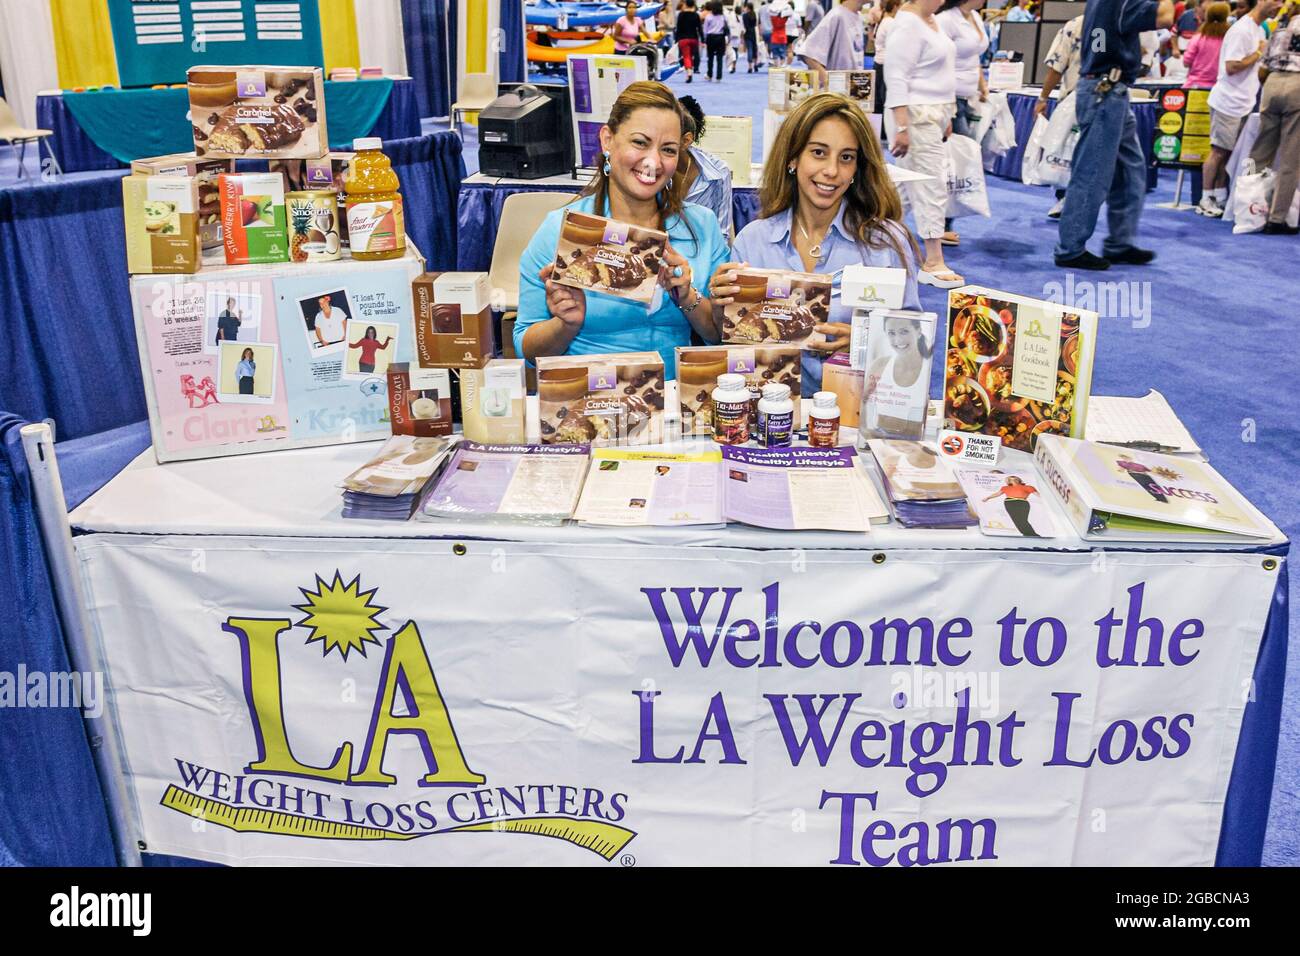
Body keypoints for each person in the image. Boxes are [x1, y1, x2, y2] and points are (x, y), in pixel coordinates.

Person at [516, 82, 730, 378]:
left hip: (671, 402)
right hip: (587, 400)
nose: (654, 162)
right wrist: (565, 324)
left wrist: (687, 297)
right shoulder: (562, 230)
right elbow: (525, 348)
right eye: (640, 143)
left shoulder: (701, 227)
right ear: (607, 140)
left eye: (668, 150)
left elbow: (719, 337)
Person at [712, 93, 922, 394]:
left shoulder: (886, 243)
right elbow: (735, 345)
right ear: (793, 158)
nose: (832, 171)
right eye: (819, 153)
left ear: (857, 169)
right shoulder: (753, 241)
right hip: (772, 420)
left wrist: (866, 341)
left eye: (846, 157)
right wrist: (722, 309)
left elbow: (916, 341)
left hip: (858, 415)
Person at [1053, 0, 1175, 270]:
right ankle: (1070, 247)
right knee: (1092, 173)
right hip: (1106, 91)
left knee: (1131, 170)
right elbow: (1166, 17)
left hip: (1110, 89)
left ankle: (1120, 242)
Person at [886, 0, 964, 287]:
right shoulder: (907, 24)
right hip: (916, 117)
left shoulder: (931, 19)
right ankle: (932, 261)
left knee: (904, 191)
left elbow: (940, 73)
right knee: (931, 185)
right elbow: (895, 77)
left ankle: (876, 245)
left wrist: (948, 114)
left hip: (932, 116)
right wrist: (902, 126)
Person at [1198, 0, 1282, 217]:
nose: (1279, 6)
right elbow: (1231, 66)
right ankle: (1205, 198)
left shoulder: (1258, 29)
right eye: (1275, 1)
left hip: (1244, 102)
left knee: (1228, 154)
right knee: (1218, 151)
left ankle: (1219, 195)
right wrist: (1258, 53)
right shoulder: (1242, 30)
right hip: (1228, 102)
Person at [938, 0, 990, 244]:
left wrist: (982, 86)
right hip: (950, 98)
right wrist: (946, 107)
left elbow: (975, 57)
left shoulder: (975, 17)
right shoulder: (947, 19)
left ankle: (946, 220)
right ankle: (940, 223)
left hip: (968, 97)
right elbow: (940, 63)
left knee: (960, 161)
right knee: (949, 162)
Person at [1247, 5, 1300, 233]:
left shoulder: (1279, 25)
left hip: (1272, 83)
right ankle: (1277, 219)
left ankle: (1247, 209)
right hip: (1297, 85)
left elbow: (1264, 65)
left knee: (1260, 151)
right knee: (1291, 156)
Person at [1035, 12, 1085, 218]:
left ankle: (1064, 198)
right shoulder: (1105, 27)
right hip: (1091, 99)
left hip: (1074, 98)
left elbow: (1056, 67)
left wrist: (1043, 97)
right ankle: (1069, 199)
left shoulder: (1074, 25)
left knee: (1065, 149)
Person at [864, 313, 932, 437]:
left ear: (918, 331)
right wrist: (867, 436)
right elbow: (864, 404)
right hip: (880, 441)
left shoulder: (929, 370)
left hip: (914, 445)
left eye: (904, 332)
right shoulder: (879, 365)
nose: (898, 340)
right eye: (891, 333)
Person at [678, 95, 735, 233]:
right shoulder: (647, 169)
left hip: (703, 253)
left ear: (686, 140)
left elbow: (722, 235)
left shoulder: (718, 172)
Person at [801, 0, 868, 81]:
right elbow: (808, 53)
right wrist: (829, 83)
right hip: (838, 90)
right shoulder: (836, 15)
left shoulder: (858, 17)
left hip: (852, 88)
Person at [1182, 1, 1231, 88]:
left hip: (1195, 86)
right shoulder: (1229, 40)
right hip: (1219, 88)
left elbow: (1186, 62)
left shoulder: (1198, 38)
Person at [871, 0, 902, 120]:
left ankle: (879, 129)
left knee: (878, 99)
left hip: (878, 63)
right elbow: (897, 45)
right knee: (885, 100)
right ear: (895, 7)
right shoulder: (890, 23)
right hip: (885, 64)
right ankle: (883, 130)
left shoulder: (883, 20)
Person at [676, 0, 704, 81]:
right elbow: (699, 28)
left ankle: (689, 73)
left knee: (686, 56)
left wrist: (676, 39)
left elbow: (678, 28)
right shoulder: (696, 15)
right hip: (694, 39)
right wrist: (702, 39)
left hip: (683, 38)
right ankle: (690, 70)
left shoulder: (681, 15)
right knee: (691, 56)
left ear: (686, 4)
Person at [704, 1, 730, 80]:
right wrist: (729, 38)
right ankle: (719, 76)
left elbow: (705, 30)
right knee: (719, 58)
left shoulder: (709, 17)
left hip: (711, 37)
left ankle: (710, 75)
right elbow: (727, 28)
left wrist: (705, 39)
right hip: (720, 38)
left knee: (710, 57)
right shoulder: (724, 17)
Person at [770, 2, 791, 66]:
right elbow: (789, 14)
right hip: (782, 38)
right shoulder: (784, 19)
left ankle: (777, 67)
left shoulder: (773, 18)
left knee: (775, 55)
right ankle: (781, 67)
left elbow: (771, 12)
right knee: (782, 55)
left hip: (774, 38)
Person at [724, 2, 744, 71]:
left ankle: (731, 65)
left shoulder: (731, 17)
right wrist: (742, 37)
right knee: (735, 51)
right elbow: (742, 29)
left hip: (732, 36)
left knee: (731, 51)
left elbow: (728, 25)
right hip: (737, 36)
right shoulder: (741, 18)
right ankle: (734, 65)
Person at [743, 2, 761, 70]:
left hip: (747, 32)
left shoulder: (744, 15)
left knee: (749, 49)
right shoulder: (754, 14)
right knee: (754, 48)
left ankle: (750, 66)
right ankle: (755, 64)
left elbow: (744, 25)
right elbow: (756, 24)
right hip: (753, 32)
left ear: (747, 7)